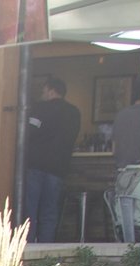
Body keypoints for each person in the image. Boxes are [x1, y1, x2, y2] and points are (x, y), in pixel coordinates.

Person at [23, 76, 82, 241]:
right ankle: (46, 250)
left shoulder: (39, 109)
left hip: (36, 165)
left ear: (51, 90)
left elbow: (29, 132)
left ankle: (29, 248)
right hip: (58, 167)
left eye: (44, 90)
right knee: (50, 212)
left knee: (30, 212)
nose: (42, 94)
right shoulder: (74, 112)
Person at [112, 76, 140, 242]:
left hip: (122, 175)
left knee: (125, 220)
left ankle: (127, 245)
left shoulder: (120, 115)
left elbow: (113, 148)